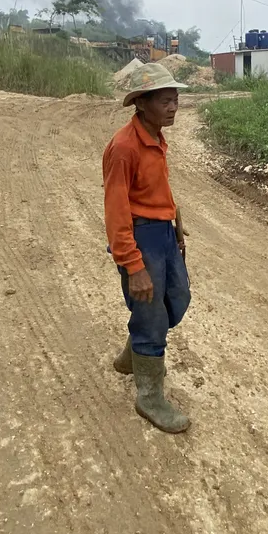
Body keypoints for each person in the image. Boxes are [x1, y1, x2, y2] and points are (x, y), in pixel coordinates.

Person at [102, 62, 191, 433]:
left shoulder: (156, 136)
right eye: (166, 100)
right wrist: (133, 265)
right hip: (140, 240)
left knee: (178, 299)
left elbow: (156, 190)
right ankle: (149, 396)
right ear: (142, 103)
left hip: (163, 235)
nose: (173, 107)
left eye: (175, 99)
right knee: (151, 315)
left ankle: (132, 354)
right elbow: (117, 211)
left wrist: (177, 224)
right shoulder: (123, 148)